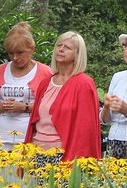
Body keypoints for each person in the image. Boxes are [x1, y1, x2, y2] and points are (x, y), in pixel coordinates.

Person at [25, 31, 101, 164]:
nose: (61, 49)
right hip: (38, 152)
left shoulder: (83, 83)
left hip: (64, 155)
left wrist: (77, 161)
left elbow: (85, 129)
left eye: (67, 47)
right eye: (59, 45)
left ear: (77, 55)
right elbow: (35, 121)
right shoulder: (46, 82)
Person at [0, 22, 52, 151]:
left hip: (32, 139)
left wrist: (24, 107)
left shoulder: (45, 73)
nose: (15, 58)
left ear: (32, 49)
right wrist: (1, 106)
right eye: (10, 53)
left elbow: (52, 107)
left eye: (20, 53)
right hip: (1, 137)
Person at [100, 26, 127, 158]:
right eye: (126, 45)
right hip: (113, 138)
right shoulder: (118, 77)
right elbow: (106, 120)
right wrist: (106, 106)